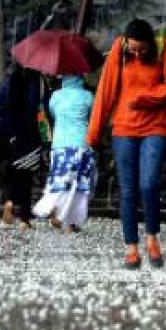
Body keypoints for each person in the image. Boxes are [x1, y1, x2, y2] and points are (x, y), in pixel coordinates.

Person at [87, 19, 166, 270]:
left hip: (155, 127)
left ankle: (152, 236)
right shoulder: (119, 50)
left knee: (148, 184)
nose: (137, 54)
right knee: (128, 191)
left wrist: (144, 99)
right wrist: (92, 135)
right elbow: (105, 91)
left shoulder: (165, 48)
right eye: (133, 49)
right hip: (124, 129)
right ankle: (131, 248)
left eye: (142, 50)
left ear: (151, 43)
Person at [32, 75, 96, 233]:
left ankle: (56, 207)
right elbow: (93, 117)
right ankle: (70, 223)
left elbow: (53, 115)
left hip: (60, 145)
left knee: (59, 179)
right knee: (78, 184)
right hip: (81, 144)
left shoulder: (56, 96)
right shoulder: (88, 97)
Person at [0, 64, 45, 230]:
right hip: (30, 134)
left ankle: (9, 201)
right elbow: (40, 109)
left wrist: (8, 131)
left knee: (14, 172)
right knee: (27, 177)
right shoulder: (36, 83)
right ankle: (24, 218)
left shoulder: (8, 83)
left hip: (11, 135)